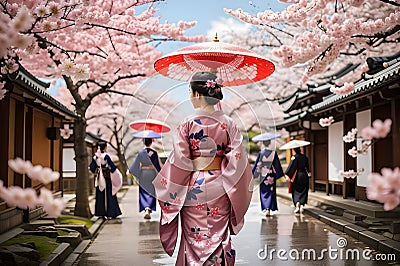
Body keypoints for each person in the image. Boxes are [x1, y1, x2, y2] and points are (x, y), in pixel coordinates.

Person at [152, 71, 253, 266]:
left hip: (193, 187)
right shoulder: (229, 123)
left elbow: (180, 161)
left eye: (189, 91)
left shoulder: (187, 123)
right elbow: (238, 160)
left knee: (193, 239)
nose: (189, 96)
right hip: (220, 187)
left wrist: (167, 188)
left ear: (198, 94)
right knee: (219, 236)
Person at [129, 138, 162, 219]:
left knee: (144, 190)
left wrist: (137, 174)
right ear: (151, 142)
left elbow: (135, 165)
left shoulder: (141, 153)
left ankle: (146, 208)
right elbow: (157, 166)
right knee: (151, 190)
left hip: (143, 173)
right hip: (152, 173)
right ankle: (149, 208)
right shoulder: (154, 153)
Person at [89, 141, 122, 219]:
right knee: (109, 194)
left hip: (99, 178)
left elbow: (92, 168)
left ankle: (101, 212)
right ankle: (111, 212)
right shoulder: (106, 156)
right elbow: (113, 167)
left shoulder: (95, 157)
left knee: (100, 195)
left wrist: (97, 170)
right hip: (107, 178)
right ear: (105, 148)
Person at [252, 140, 284, 217]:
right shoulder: (274, 153)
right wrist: (279, 175)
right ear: (269, 143)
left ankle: (266, 208)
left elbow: (257, 165)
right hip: (271, 174)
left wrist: (254, 174)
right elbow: (277, 166)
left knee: (263, 192)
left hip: (263, 175)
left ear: (263, 143)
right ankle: (269, 208)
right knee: (271, 192)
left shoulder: (261, 153)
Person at [285, 147, 310, 214]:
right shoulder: (305, 157)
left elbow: (291, 167)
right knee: (304, 190)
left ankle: (297, 204)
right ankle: (302, 205)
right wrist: (309, 172)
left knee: (296, 190)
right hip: (304, 175)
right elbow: (308, 167)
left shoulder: (294, 157)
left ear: (294, 150)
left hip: (297, 176)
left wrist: (288, 174)